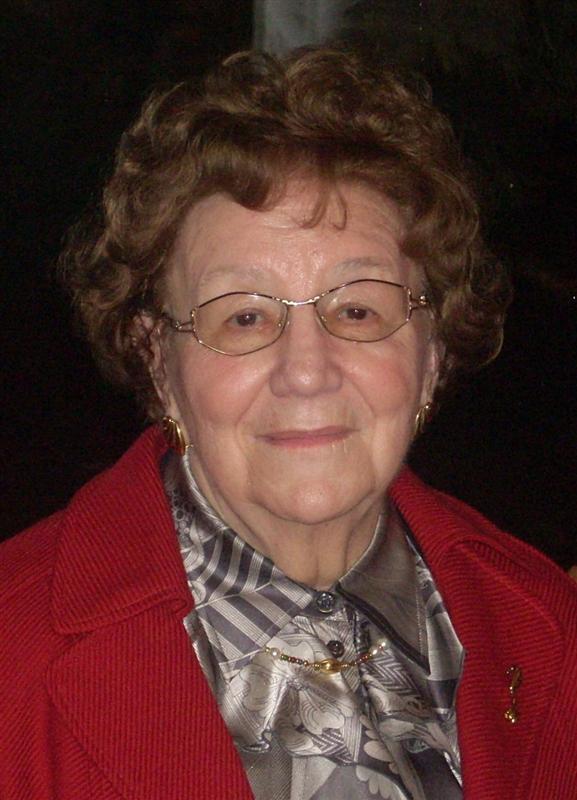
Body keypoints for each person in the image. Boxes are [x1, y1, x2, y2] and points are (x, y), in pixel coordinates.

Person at [1, 47, 576, 800]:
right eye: (243, 317)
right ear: (157, 359)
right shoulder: (14, 658)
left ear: (432, 352)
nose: (307, 370)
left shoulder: (544, 625)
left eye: (358, 309)